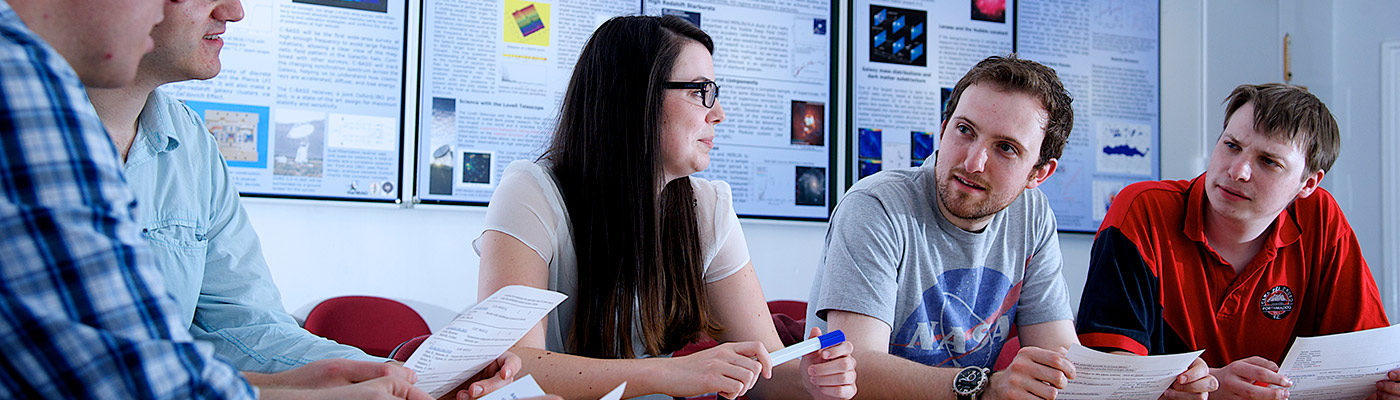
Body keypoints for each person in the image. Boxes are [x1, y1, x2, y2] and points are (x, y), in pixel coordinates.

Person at [77, 1, 544, 399]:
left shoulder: (191, 142)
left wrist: (406, 377)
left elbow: (245, 327)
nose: (235, 12)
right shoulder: (30, 125)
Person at [476, 15, 856, 400]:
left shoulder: (708, 208)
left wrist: (811, 381)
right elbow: (512, 364)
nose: (718, 113)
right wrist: (672, 372)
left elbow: (769, 372)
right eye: (699, 92)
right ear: (633, 97)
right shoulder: (531, 192)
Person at [805, 54, 1212, 400]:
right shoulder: (877, 205)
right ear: (944, 129)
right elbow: (855, 368)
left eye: (1006, 148)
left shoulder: (1031, 215)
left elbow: (1059, 358)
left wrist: (1155, 388)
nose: (973, 162)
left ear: (1040, 172)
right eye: (965, 131)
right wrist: (985, 387)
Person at [1076, 83, 1400, 400]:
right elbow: (1108, 377)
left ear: (1308, 183)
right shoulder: (1143, 209)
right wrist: (1211, 385)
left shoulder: (1321, 217)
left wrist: (1387, 384)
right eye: (1232, 145)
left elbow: (1366, 365)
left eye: (1268, 161)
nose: (1238, 171)